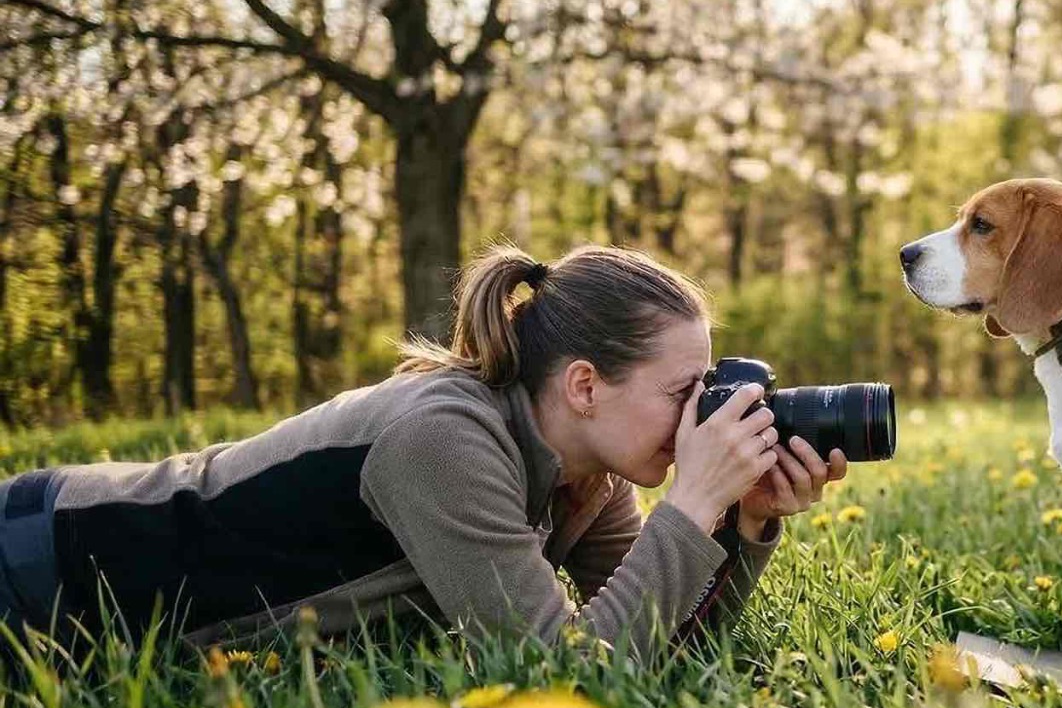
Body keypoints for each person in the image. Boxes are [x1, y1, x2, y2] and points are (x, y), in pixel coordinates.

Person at [0, 244, 848, 660]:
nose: (707, 411)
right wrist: (693, 503)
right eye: (683, 391)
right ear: (584, 385)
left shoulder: (584, 476)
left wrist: (740, 525)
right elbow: (559, 676)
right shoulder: (444, 438)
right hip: (41, 572)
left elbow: (658, 648)